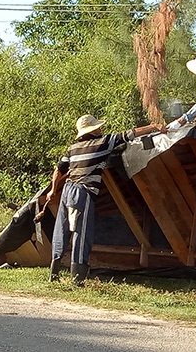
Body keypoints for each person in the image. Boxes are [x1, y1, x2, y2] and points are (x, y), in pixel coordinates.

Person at [47, 115, 164, 285]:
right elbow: (129, 134)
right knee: (82, 232)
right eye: (97, 127)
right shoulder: (103, 142)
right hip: (83, 190)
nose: (100, 129)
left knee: (62, 230)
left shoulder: (73, 148)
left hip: (67, 190)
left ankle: (54, 273)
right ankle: (77, 279)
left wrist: (52, 190)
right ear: (93, 130)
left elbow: (58, 170)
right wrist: (154, 127)